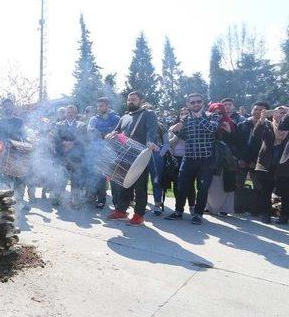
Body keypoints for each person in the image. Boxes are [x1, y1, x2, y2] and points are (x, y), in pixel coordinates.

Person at [166, 93, 221, 225]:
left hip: (206, 159)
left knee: (202, 188)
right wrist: (177, 130)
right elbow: (185, 136)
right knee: (181, 186)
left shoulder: (211, 115)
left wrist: (199, 118)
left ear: (203, 102)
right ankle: (178, 211)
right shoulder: (185, 119)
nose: (196, 104)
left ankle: (198, 214)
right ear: (188, 105)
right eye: (192, 102)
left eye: (198, 101)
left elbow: (212, 129)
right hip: (189, 158)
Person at [106, 92, 159, 226]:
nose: (130, 102)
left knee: (140, 187)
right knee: (123, 184)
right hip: (124, 155)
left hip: (140, 156)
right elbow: (117, 131)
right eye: (129, 99)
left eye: (133, 99)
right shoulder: (124, 117)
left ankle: (139, 215)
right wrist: (111, 134)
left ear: (141, 100)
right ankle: (121, 211)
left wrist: (150, 142)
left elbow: (151, 131)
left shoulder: (149, 114)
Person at [252, 106, 289, 223]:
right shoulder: (267, 125)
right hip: (267, 163)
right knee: (266, 190)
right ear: (273, 114)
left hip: (284, 164)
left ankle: (284, 216)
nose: (282, 115)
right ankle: (265, 214)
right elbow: (256, 134)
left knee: (285, 191)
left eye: (285, 113)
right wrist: (262, 119)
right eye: (279, 112)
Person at [87, 97, 120, 209]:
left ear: (107, 106)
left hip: (112, 152)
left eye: (101, 106)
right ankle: (101, 200)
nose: (99, 108)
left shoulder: (116, 118)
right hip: (97, 151)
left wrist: (101, 133)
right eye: (98, 106)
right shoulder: (94, 119)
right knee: (99, 176)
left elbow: (116, 132)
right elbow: (90, 132)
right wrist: (105, 133)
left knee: (113, 178)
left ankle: (117, 203)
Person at [53, 105, 88, 207]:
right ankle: (58, 198)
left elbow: (85, 140)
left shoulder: (82, 126)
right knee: (61, 178)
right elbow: (55, 139)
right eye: (68, 112)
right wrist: (64, 144)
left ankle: (75, 201)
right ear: (65, 113)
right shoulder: (58, 125)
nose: (70, 114)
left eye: (72, 112)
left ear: (76, 114)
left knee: (76, 180)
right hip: (62, 156)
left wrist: (73, 144)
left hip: (76, 157)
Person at [235, 102, 270, 191]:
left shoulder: (269, 126)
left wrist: (255, 161)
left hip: (259, 161)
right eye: (255, 109)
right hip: (242, 161)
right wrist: (240, 159)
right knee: (238, 186)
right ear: (251, 110)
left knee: (259, 187)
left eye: (261, 110)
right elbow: (237, 143)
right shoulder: (242, 125)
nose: (257, 112)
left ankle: (257, 205)